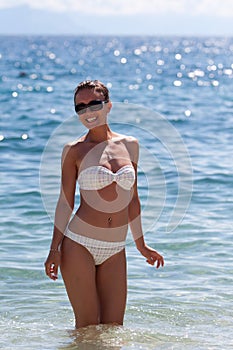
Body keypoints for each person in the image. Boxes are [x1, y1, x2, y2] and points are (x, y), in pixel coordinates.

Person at [44, 80, 164, 329]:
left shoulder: (130, 145)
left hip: (115, 248)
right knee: (87, 329)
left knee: (114, 330)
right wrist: (54, 248)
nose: (88, 112)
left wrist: (141, 245)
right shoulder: (73, 151)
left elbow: (133, 199)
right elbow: (65, 202)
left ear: (108, 106)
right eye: (81, 107)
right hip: (79, 244)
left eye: (94, 104)